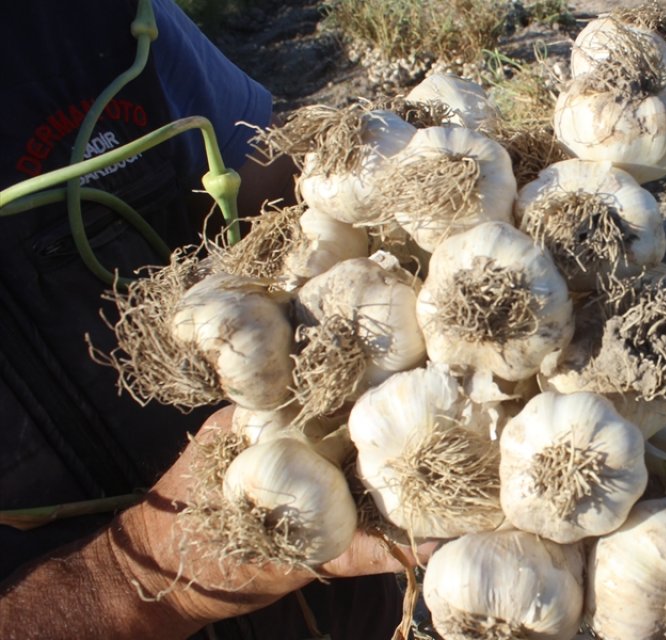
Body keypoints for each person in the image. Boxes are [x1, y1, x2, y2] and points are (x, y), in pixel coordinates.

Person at [0, 2, 431, 637]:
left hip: (342, 559)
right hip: (259, 524)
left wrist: (407, 165)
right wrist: (136, 575)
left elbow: (261, 179)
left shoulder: (86, 16)